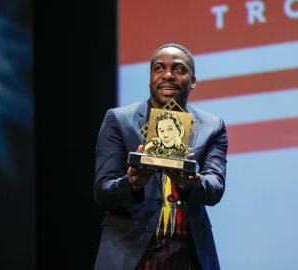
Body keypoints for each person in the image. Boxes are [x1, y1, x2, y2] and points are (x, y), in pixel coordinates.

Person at [94, 43, 228, 270]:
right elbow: (103, 193)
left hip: (189, 254)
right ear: (150, 79)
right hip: (132, 253)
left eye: (178, 69)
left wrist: (189, 183)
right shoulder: (118, 120)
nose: (167, 75)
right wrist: (132, 184)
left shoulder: (212, 126)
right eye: (159, 68)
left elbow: (215, 188)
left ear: (193, 80)